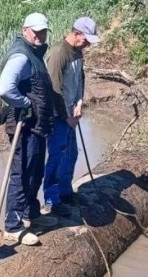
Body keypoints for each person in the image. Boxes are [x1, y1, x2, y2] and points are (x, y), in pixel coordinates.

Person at [0, 12, 58, 245]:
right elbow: (4, 89)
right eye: (36, 32)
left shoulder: (34, 53)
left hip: (36, 124)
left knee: (35, 171)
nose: (40, 35)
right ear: (25, 30)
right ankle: (12, 226)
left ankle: (30, 214)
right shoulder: (21, 56)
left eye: (43, 32)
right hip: (24, 124)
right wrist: (24, 103)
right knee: (21, 174)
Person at [42, 17, 100, 214]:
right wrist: (67, 116)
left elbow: (80, 78)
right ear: (76, 34)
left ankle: (65, 192)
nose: (87, 45)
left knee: (72, 153)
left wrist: (79, 103)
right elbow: (53, 90)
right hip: (58, 115)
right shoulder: (59, 53)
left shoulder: (77, 52)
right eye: (85, 40)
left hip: (70, 113)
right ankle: (51, 198)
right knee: (57, 156)